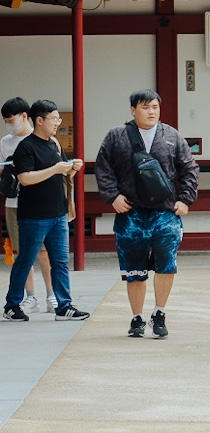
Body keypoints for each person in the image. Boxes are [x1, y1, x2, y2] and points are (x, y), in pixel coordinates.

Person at [94, 90, 199, 338]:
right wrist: (112, 196)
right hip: (130, 211)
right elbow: (103, 168)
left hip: (165, 211)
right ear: (133, 110)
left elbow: (189, 169)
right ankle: (137, 317)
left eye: (155, 107)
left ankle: (159, 313)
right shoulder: (116, 136)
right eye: (145, 107)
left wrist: (185, 200)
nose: (151, 112)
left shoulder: (172, 136)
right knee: (134, 269)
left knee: (166, 264)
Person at [3, 100, 88, 322]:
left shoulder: (54, 143)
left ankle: (64, 306)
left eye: (58, 119)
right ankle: (12, 305)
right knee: (26, 260)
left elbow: (61, 175)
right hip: (33, 216)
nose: (57, 124)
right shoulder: (26, 147)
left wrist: (71, 170)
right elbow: (25, 179)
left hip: (58, 214)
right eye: (54, 119)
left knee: (59, 261)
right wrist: (56, 169)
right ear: (39, 120)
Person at [2, 97, 57, 314]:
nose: (8, 124)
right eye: (5, 121)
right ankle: (30, 296)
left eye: (11, 119)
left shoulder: (43, 139)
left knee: (44, 252)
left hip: (39, 203)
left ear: (26, 116)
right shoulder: (5, 142)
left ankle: (52, 295)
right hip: (14, 203)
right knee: (20, 252)